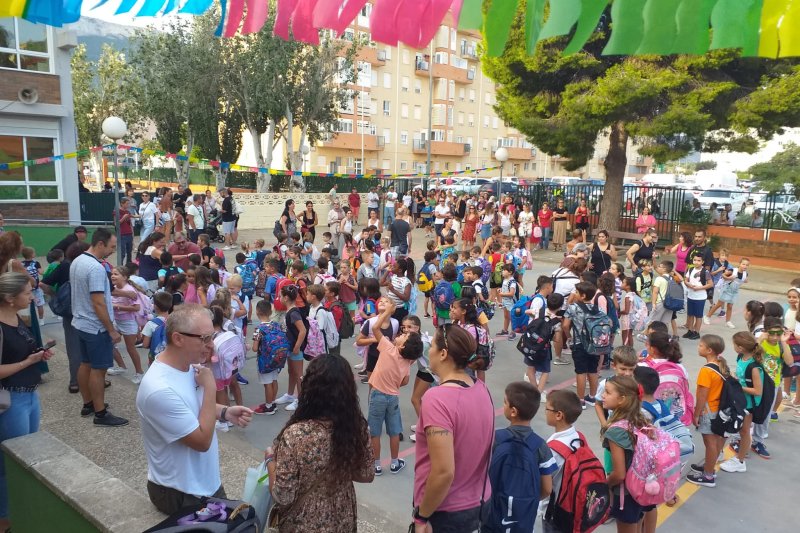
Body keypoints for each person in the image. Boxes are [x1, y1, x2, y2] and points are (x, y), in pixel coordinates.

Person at [136, 304, 252, 514]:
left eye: (212, 337)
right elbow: (201, 441)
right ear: (178, 339)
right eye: (205, 338)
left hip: (203, 483)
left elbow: (192, 406)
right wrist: (210, 388)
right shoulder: (159, 389)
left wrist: (224, 412)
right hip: (181, 492)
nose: (211, 345)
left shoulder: (188, 366)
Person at [265, 354, 374, 530]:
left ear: (310, 388)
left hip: (304, 522)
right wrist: (340, 468)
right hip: (341, 517)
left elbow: (283, 496)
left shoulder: (296, 434)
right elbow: (367, 474)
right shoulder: (357, 427)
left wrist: (270, 461)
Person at [412, 325, 493, 531]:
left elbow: (443, 472)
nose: (428, 350)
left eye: (432, 345)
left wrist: (422, 517)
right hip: (479, 501)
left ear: (443, 353)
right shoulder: (481, 388)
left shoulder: (436, 399)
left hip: (445, 510)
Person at [0, 272, 55, 532]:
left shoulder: (16, 318)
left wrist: (37, 355)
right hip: (11, 400)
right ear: (10, 298)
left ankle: (19, 512)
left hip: (29, 395)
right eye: (27, 293)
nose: (32, 296)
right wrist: (28, 362)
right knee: (9, 463)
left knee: (27, 456)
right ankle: (5, 520)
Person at [69, 228, 128, 427]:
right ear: (100, 244)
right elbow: (98, 302)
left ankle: (88, 404)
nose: (113, 250)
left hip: (80, 323)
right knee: (99, 369)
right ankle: (100, 413)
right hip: (96, 327)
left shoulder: (78, 260)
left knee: (85, 364)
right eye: (112, 246)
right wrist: (111, 329)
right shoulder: (95, 268)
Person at [483, 382, 555, 532]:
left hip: (493, 512)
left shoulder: (494, 438)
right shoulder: (540, 445)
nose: (503, 405)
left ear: (513, 411)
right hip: (523, 517)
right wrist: (527, 501)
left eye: (505, 402)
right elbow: (547, 489)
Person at [367, 300, 423, 475]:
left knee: (375, 432)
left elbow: (375, 328)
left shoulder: (388, 348)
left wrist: (387, 312)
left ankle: (376, 464)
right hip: (393, 398)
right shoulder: (407, 361)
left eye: (403, 336)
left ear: (402, 345)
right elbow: (404, 381)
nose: (401, 334)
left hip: (377, 395)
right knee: (394, 431)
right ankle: (394, 462)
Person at [601, 375, 656, 530]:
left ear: (622, 399)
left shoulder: (616, 431)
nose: (603, 395)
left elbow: (619, 474)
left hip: (626, 493)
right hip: (643, 485)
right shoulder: (640, 420)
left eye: (607, 392)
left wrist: (605, 484)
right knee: (637, 524)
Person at [720, 332, 764, 474]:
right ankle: (725, 454)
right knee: (734, 427)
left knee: (744, 431)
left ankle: (740, 461)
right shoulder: (741, 357)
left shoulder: (754, 367)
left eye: (734, 344)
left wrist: (738, 386)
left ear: (740, 347)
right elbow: (741, 377)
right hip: (739, 400)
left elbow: (758, 391)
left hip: (748, 405)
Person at [687, 335, 728, 488]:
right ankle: (709, 467)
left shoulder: (706, 371)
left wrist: (696, 414)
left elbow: (702, 395)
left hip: (708, 411)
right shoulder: (721, 365)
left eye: (701, 345)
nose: (698, 347)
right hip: (719, 409)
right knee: (715, 442)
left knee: (710, 443)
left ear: (709, 350)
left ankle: (708, 475)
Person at [114, 197, 134, 265]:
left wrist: (132, 234)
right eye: (127, 204)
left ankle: (129, 266)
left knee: (129, 252)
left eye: (129, 203)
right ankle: (120, 266)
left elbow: (130, 224)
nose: (128, 205)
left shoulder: (128, 212)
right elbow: (116, 223)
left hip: (129, 234)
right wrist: (123, 218)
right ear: (122, 204)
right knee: (122, 253)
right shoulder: (116, 211)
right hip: (122, 234)